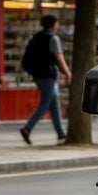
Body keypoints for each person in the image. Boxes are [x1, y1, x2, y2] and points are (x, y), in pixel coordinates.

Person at [20, 15, 71, 144]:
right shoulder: (53, 38)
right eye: (57, 23)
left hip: (38, 76)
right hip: (49, 76)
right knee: (46, 103)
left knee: (54, 104)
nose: (58, 25)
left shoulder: (36, 37)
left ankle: (61, 134)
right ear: (53, 24)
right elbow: (59, 57)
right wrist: (67, 72)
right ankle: (27, 128)